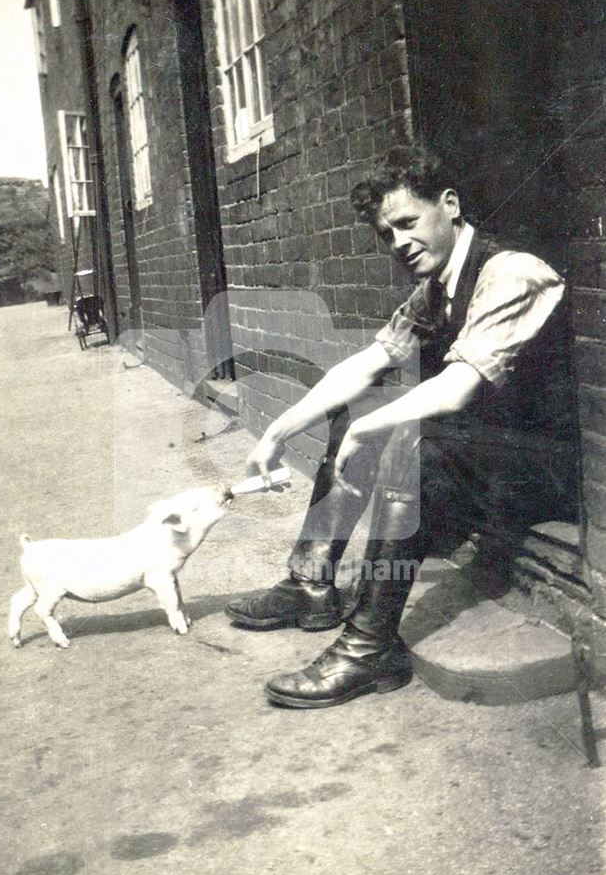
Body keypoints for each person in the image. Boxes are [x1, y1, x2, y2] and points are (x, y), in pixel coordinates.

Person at [225, 143, 577, 709]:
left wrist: (373, 431)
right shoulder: (435, 288)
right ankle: (312, 581)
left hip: (547, 469)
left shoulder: (512, 272)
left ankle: (370, 647)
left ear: (450, 204)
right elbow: (366, 365)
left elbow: (459, 386)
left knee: (402, 434)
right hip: (485, 456)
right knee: (365, 410)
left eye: (408, 224)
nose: (399, 243)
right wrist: (278, 431)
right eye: (387, 234)